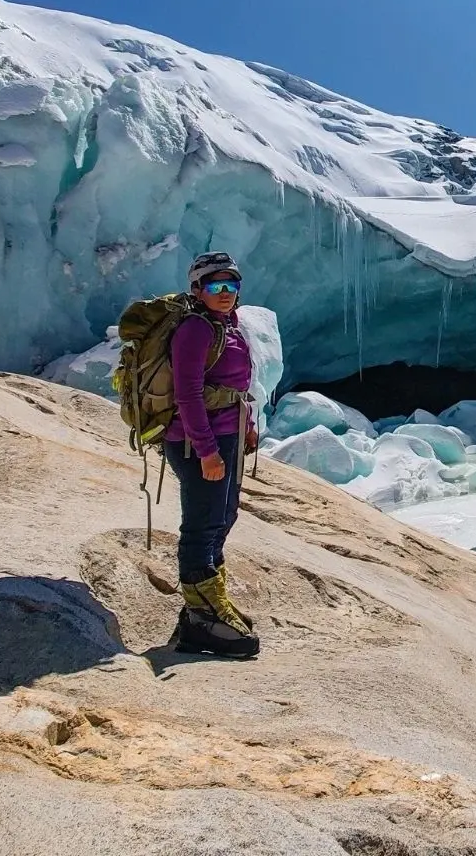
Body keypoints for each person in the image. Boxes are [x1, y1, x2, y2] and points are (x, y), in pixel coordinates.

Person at [164, 251, 260, 658]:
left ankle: (206, 603)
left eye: (231, 285)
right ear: (198, 289)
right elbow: (187, 393)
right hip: (196, 441)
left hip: (227, 435)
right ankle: (202, 620)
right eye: (216, 286)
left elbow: (235, 385)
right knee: (202, 524)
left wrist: (248, 428)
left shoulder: (228, 326)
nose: (225, 293)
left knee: (223, 516)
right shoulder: (195, 330)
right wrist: (206, 450)